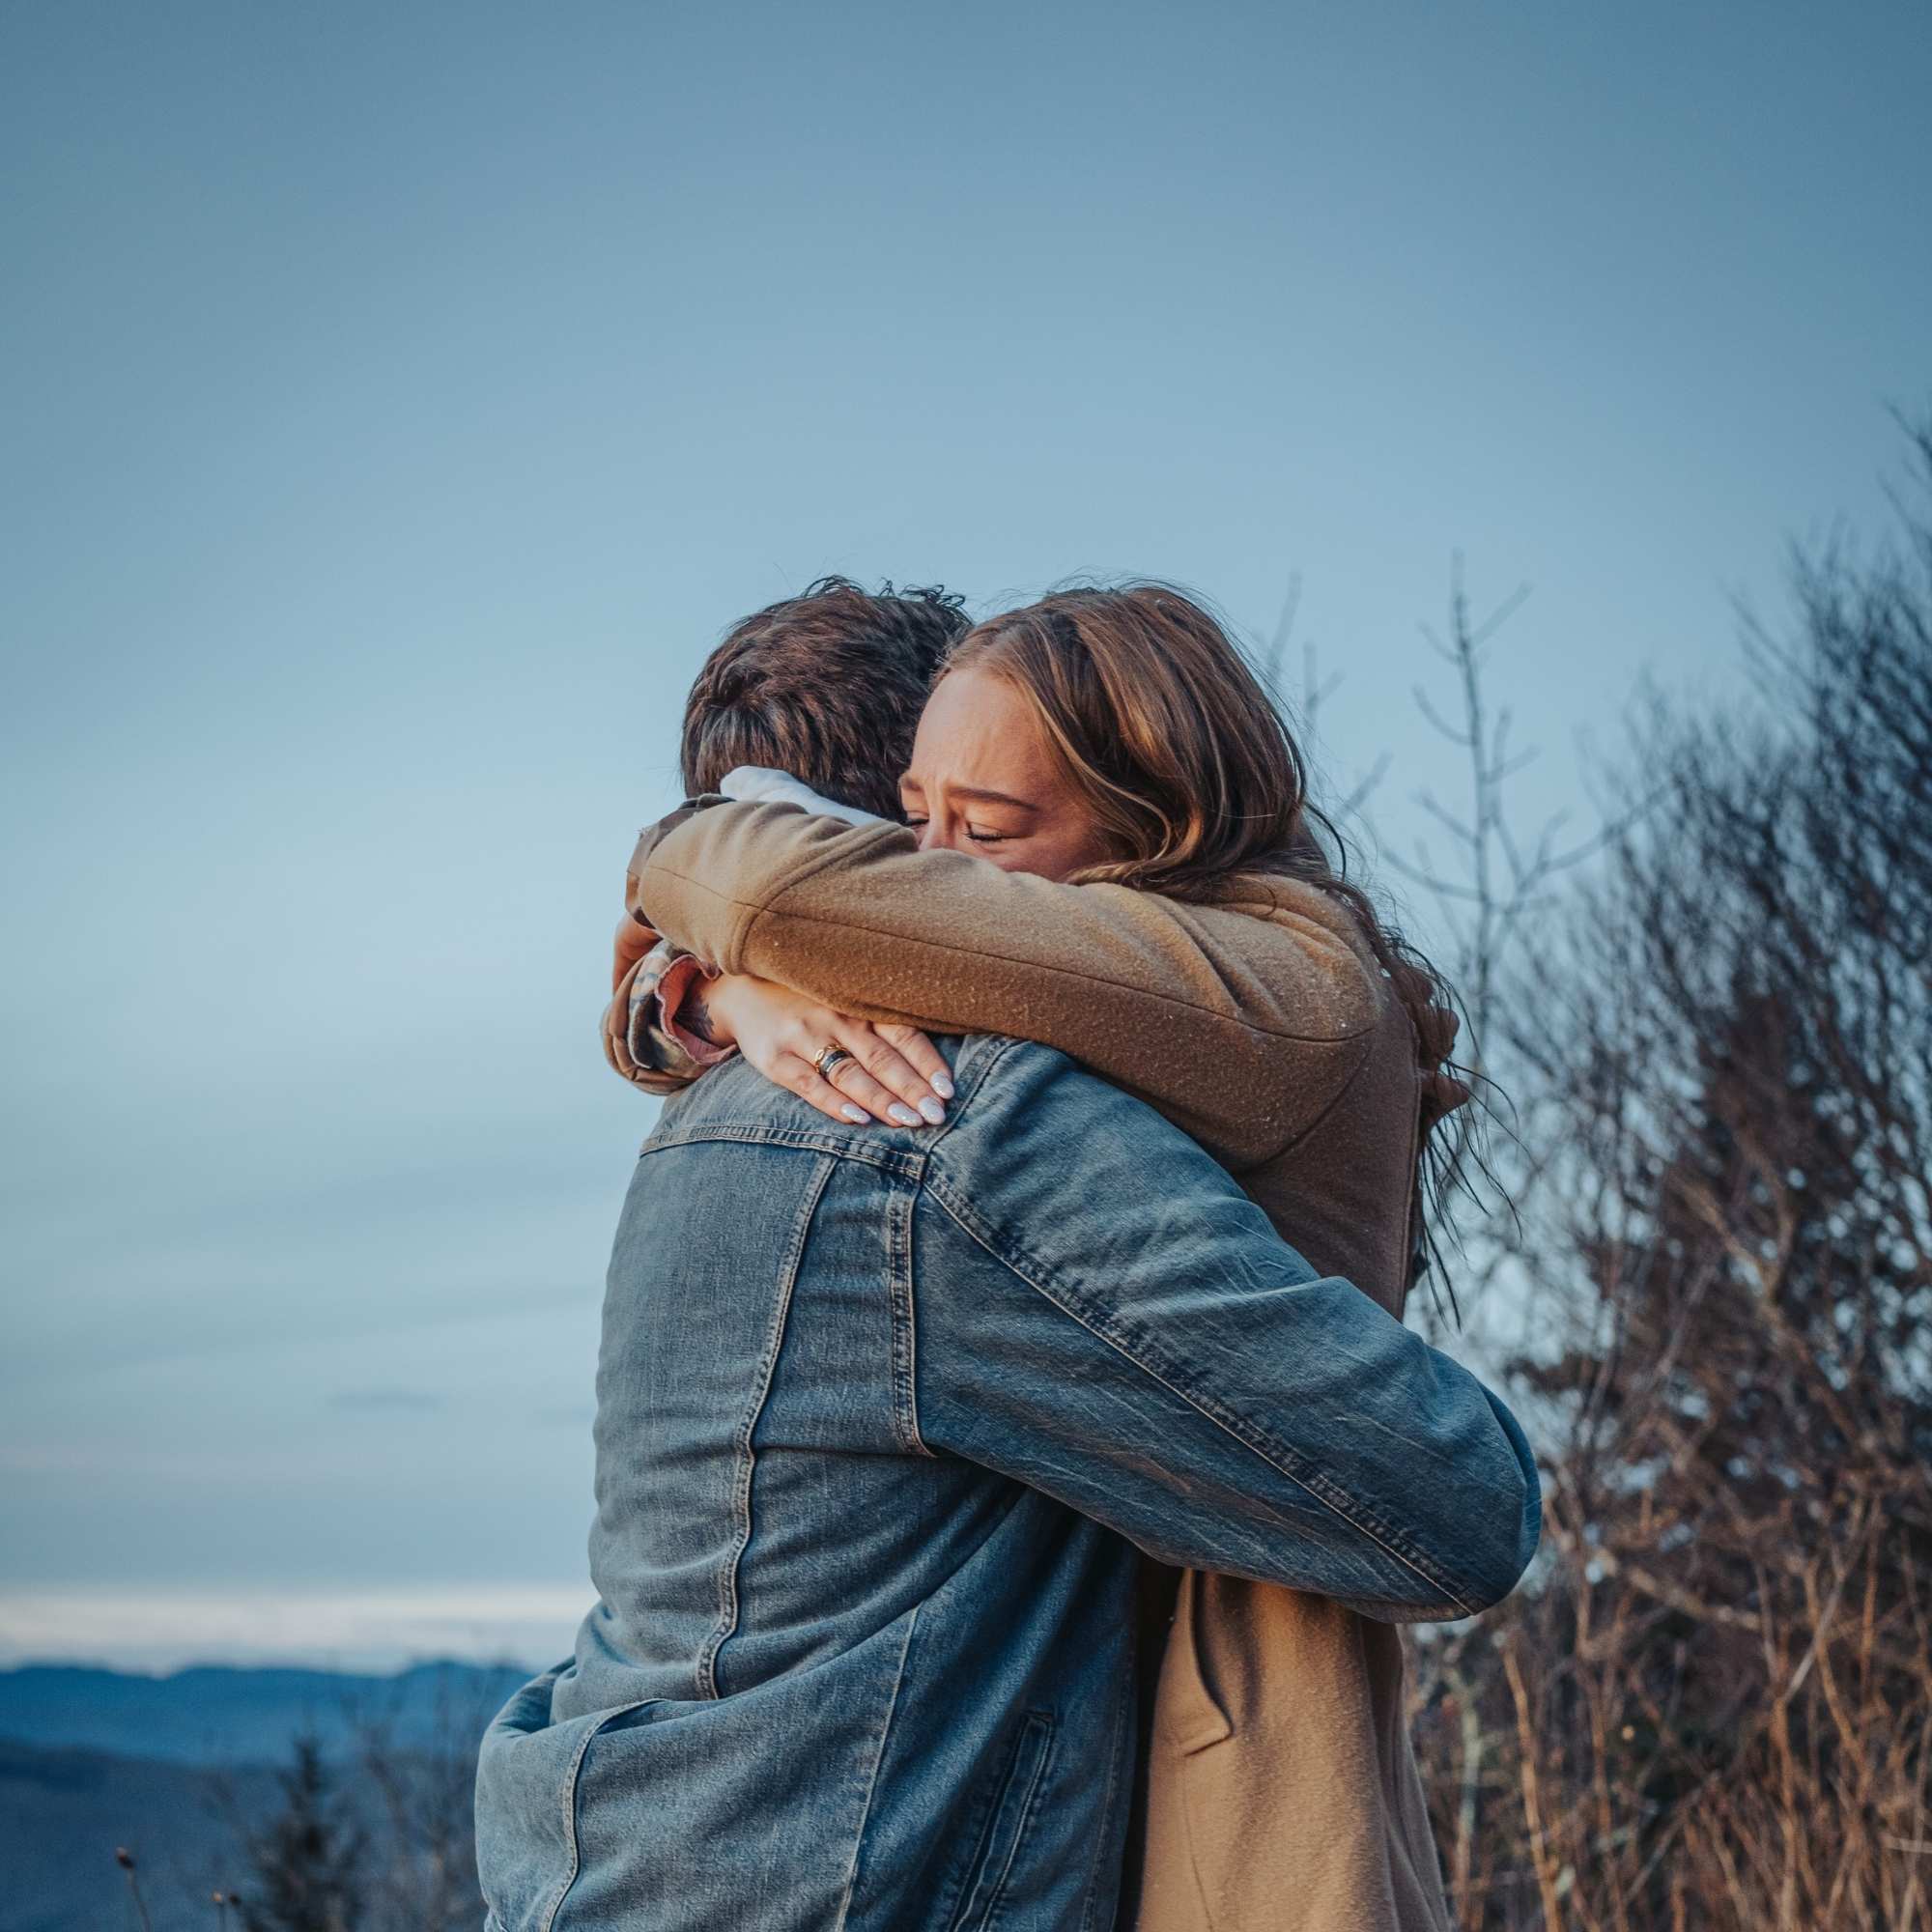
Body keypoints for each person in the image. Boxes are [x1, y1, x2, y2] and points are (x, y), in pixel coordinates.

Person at [473, 582, 1539, 1932]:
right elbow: (1459, 1506)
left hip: (611, 1847)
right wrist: (700, 973)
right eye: (920, 834)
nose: (944, 883)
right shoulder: (937, 1121)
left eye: (979, 836)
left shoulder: (750, 1103)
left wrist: (697, 970)